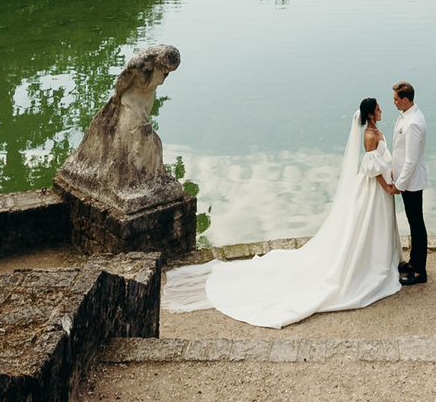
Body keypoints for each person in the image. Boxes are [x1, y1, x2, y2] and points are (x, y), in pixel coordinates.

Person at [158, 95, 403, 327]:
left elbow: (380, 163)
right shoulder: (369, 135)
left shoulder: (376, 131)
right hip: (373, 188)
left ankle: (380, 259)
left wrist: (390, 176)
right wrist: (387, 186)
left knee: (373, 226)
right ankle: (370, 266)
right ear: (370, 115)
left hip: (380, 186)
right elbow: (371, 167)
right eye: (378, 109)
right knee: (366, 226)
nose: (382, 111)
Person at [389, 81, 428, 285]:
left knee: (417, 224)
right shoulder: (407, 115)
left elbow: (411, 160)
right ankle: (413, 263)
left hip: (411, 182)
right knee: (414, 222)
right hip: (406, 179)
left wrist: (399, 184)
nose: (394, 102)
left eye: (396, 99)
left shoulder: (413, 123)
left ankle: (420, 271)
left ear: (406, 99)